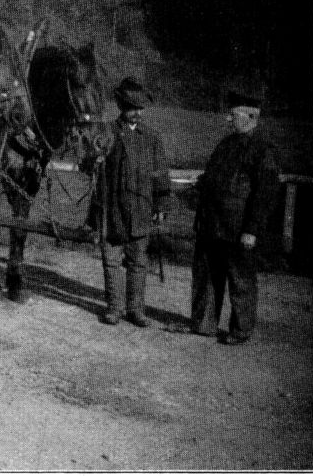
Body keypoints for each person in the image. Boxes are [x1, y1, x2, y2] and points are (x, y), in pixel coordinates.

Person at [188, 88, 280, 345]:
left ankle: (240, 330)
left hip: (238, 229)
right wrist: (202, 183)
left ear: (251, 117)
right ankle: (204, 324)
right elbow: (217, 177)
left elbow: (265, 195)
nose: (228, 119)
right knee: (207, 276)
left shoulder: (263, 150)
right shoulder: (226, 144)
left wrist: (252, 230)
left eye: (234, 115)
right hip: (212, 225)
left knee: (241, 280)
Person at [91, 76, 171, 327]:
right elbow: (89, 164)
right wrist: (94, 158)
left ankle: (135, 309)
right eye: (131, 108)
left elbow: (160, 174)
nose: (137, 113)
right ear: (121, 107)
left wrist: (161, 205)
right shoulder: (107, 132)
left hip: (141, 208)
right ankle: (114, 308)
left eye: (140, 108)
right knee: (112, 260)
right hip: (112, 209)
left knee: (138, 261)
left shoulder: (152, 137)